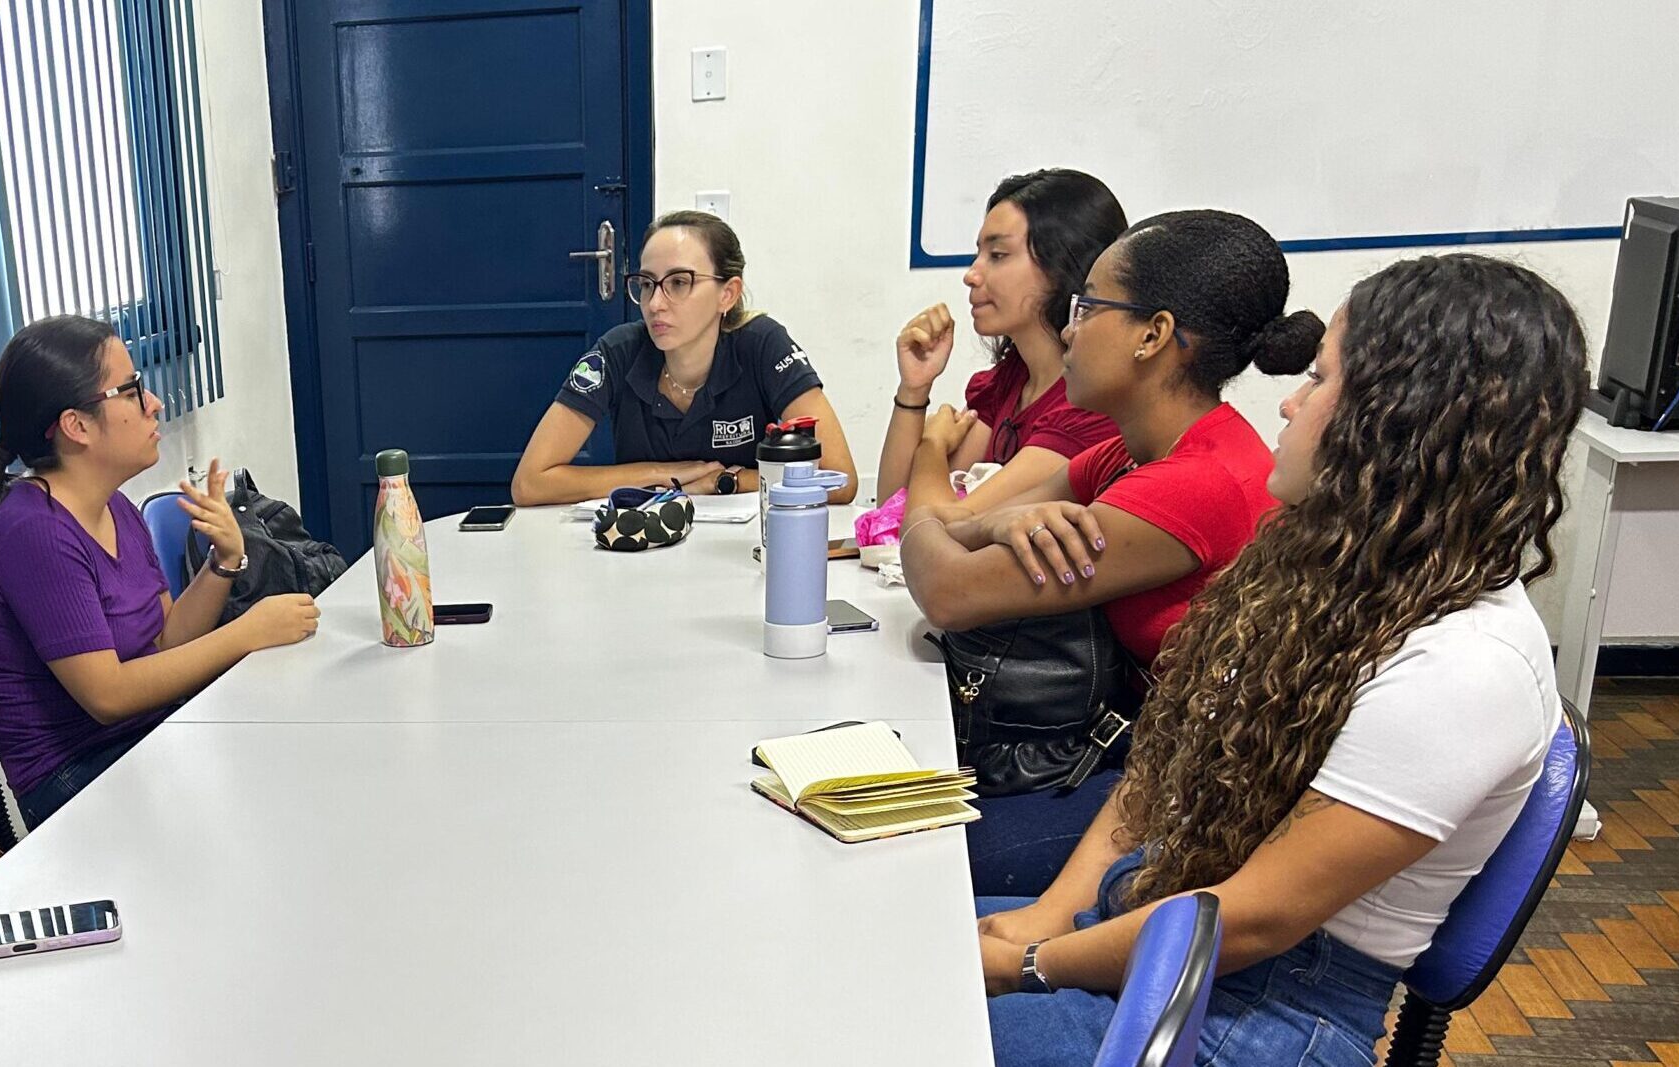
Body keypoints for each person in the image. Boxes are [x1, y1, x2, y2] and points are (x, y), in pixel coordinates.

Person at [977, 253, 1587, 1065]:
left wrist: (1027, 965)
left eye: (1319, 379)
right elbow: (1164, 768)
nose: (1291, 402)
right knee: (875, 937)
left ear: (1402, 418)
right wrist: (1047, 916)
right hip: (1167, 923)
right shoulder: (1318, 568)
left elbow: (1254, 918)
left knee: (875, 1019)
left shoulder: (1469, 664)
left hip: (1271, 1008)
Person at [899, 210, 1321, 895]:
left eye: (1088, 306)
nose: (1068, 328)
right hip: (1131, 754)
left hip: (1193, 796)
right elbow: (961, 523)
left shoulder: (1194, 483)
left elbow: (949, 589)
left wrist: (929, 458)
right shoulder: (1135, 450)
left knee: (909, 859)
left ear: (1154, 335)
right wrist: (990, 525)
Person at [0, 315, 319, 826]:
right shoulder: (33, 534)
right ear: (77, 425)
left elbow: (165, 643)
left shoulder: (115, 509)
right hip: (75, 778)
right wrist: (246, 634)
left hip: (146, 737)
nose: (154, 402)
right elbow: (109, 696)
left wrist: (223, 562)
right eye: (132, 390)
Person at [512, 210, 857, 506]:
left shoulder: (762, 343)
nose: (655, 304)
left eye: (679, 282)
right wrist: (662, 475)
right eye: (647, 284)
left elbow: (838, 478)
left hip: (740, 552)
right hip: (644, 549)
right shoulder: (618, 351)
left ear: (728, 293)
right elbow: (529, 483)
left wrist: (728, 483)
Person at [874, 169, 1126, 514]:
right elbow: (891, 513)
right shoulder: (1008, 382)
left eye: (998, 255)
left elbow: (943, 527)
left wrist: (933, 444)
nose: (971, 274)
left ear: (1063, 264)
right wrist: (914, 390)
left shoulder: (1093, 406)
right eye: (979, 254)